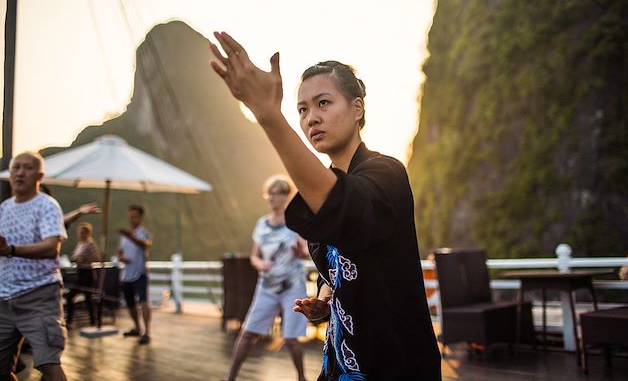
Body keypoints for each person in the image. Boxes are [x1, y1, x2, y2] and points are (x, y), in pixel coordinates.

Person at [209, 33, 441, 380]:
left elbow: (346, 209)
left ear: (357, 108)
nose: (310, 118)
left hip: (394, 364)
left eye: (323, 103)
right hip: (339, 361)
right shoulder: (320, 188)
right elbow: (336, 264)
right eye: (302, 110)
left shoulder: (386, 172)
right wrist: (324, 297)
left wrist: (269, 115)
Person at [225, 175, 310, 381]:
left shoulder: (295, 222)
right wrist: (259, 263)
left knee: (291, 339)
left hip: (292, 286)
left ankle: (302, 378)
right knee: (247, 334)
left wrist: (301, 252)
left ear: (285, 196)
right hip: (267, 286)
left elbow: (306, 250)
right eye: (269, 193)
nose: (271, 197)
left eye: (276, 193)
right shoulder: (261, 224)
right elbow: (254, 256)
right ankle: (230, 378)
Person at [0, 152, 69, 381]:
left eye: (27, 168)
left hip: (39, 295)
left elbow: (51, 248)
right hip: (4, 298)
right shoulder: (5, 208)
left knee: (48, 363)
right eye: (16, 168)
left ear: (39, 175)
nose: (20, 172)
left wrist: (11, 250)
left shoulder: (47, 206)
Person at [117, 204, 152, 345]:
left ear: (141, 218)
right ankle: (137, 327)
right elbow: (120, 251)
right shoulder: (125, 237)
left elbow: (145, 244)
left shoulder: (143, 233)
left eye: (135, 216)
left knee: (143, 302)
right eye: (130, 216)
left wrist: (130, 236)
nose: (132, 219)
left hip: (140, 273)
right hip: (127, 274)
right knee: (130, 304)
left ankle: (147, 332)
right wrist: (121, 257)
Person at [65, 222, 100, 328]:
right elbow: (74, 256)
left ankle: (89, 321)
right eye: (80, 232)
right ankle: (91, 321)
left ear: (88, 233)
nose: (81, 234)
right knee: (86, 298)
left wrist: (84, 260)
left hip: (87, 273)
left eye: (83, 233)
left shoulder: (90, 244)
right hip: (79, 273)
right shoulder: (80, 244)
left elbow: (96, 257)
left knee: (85, 297)